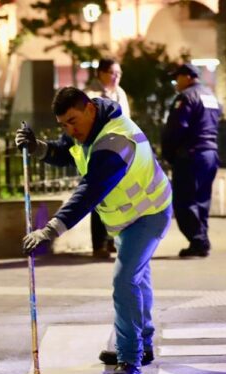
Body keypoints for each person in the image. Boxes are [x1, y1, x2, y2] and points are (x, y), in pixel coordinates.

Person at [15, 87, 172, 374]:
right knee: (137, 278)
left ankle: (130, 360)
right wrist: (38, 147)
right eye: (63, 125)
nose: (70, 130)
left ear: (89, 109)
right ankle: (143, 345)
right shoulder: (86, 128)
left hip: (150, 213)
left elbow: (89, 190)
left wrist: (50, 230)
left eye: (73, 122)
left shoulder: (116, 141)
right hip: (126, 217)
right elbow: (67, 153)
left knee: (125, 279)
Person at [161, 63, 221, 257]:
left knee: (184, 201)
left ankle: (199, 240)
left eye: (176, 78)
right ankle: (201, 238)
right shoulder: (210, 96)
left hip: (191, 155)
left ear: (187, 77)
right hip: (210, 153)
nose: (175, 83)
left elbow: (177, 128)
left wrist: (168, 153)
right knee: (202, 199)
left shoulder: (186, 97)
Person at [86, 58, 130, 258]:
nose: (117, 77)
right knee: (99, 197)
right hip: (99, 151)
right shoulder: (90, 95)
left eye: (119, 73)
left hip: (119, 151)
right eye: (113, 73)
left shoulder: (120, 93)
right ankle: (99, 244)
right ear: (101, 73)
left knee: (117, 197)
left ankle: (112, 239)